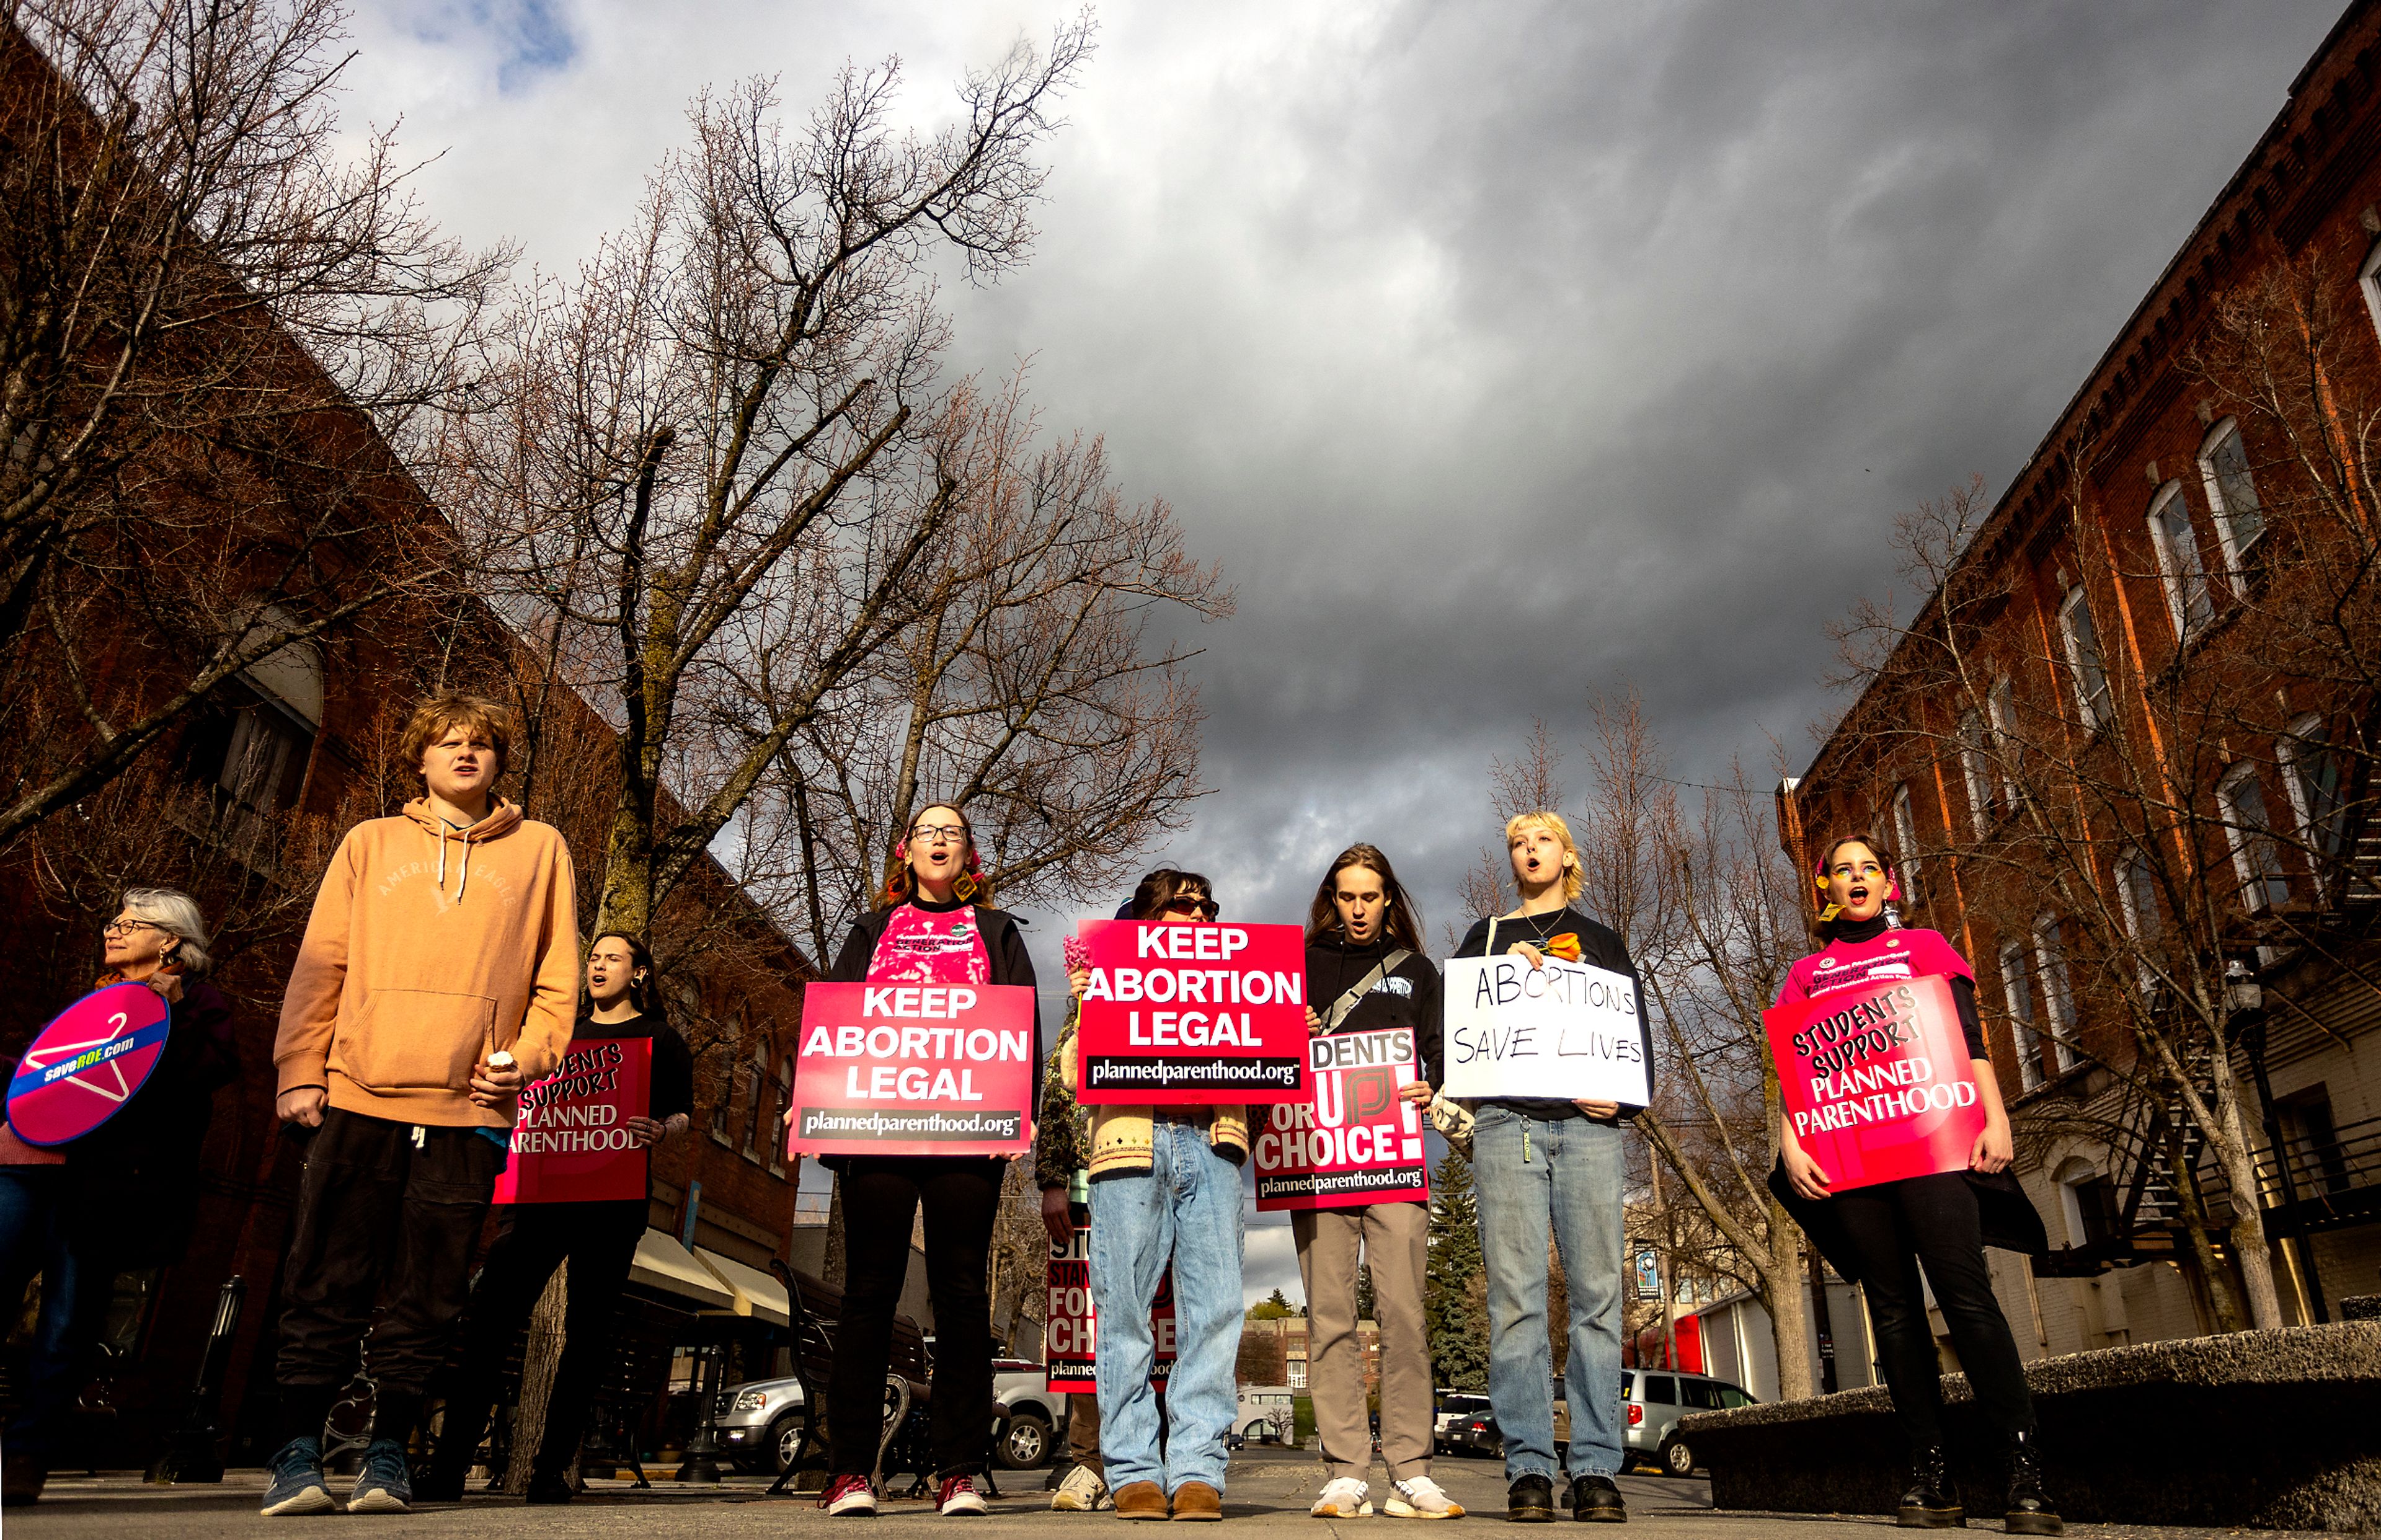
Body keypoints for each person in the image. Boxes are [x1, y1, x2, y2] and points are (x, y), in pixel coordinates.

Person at [262, 694, 580, 1518]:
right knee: (325, 1272)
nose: (465, 755)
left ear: (500, 760)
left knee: (431, 1288)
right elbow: (321, 961)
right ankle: (297, 1456)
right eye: (448, 744)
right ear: (421, 760)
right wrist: (301, 1067)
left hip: (469, 1105)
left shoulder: (542, 851)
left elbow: (556, 981)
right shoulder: (370, 843)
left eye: (480, 744)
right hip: (358, 1091)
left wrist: (526, 1061)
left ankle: (387, 1456)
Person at [1770, 835, 2059, 1536]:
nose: (1857, 877)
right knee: (1894, 1312)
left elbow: (1972, 1042)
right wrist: (1789, 1143)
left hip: (1936, 1147)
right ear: (1826, 890)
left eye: (1868, 867)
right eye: (1842, 870)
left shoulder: (1927, 949)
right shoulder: (1807, 975)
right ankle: (1932, 1474)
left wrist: (1996, 1118)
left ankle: (2025, 1473)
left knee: (1967, 1298)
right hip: (1851, 1159)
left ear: (1888, 883)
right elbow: (1795, 1075)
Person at [812, 803, 1039, 1519]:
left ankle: (961, 1470)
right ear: (906, 852)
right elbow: (837, 1017)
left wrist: (1018, 1113)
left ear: (970, 854)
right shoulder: (872, 931)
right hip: (877, 1129)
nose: (941, 840)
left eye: (955, 831)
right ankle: (850, 1471)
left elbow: (1023, 1022)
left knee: (964, 1295)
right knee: (869, 1294)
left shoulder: (997, 932)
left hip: (969, 1129)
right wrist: (814, 1101)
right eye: (928, 831)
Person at [421, 931, 694, 1504]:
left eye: (611, 959)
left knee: (586, 1335)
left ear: (639, 974)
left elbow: (684, 1115)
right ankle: (448, 1467)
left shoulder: (660, 1038)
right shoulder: (554, 1033)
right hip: (537, 1198)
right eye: (593, 959)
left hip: (612, 1202)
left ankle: (549, 1471)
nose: (597, 967)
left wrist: (661, 1130)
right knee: (492, 1321)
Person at [0, 889, 238, 1505]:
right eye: (114, 919)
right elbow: (41, 1072)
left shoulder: (200, 1003)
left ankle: (25, 1456)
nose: (114, 929)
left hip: (98, 1183)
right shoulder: (91, 992)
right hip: (23, 1163)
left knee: (65, 1322)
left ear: (170, 941)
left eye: (131, 924)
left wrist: (172, 1007)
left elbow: (207, 1074)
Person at [1451, 811, 1652, 1525]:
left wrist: (1624, 1100)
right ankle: (1530, 1465)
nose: (1529, 850)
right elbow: (1462, 1032)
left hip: (1590, 1131)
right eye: (1516, 843)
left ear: (1566, 855)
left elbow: (1633, 1033)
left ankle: (1596, 1466)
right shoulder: (1488, 938)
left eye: (1541, 840)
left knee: (1598, 1297)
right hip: (1509, 1126)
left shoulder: (1602, 940)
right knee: (1516, 1300)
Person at [1066, 869, 1246, 1523]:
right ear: (1148, 917)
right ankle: (1134, 1468)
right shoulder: (1108, 974)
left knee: (1219, 1306)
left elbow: (1269, 1057)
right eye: (1181, 906)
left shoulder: (1233, 977)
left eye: (1205, 908)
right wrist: (1090, 1005)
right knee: (1123, 1311)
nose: (1196, 918)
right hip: (1128, 1144)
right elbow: (1068, 1077)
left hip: (1214, 1141)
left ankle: (1199, 1467)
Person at [1297, 845, 1461, 1521]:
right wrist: (1291, 1031)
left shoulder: (1419, 972)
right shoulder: (1301, 963)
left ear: (1389, 898)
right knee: (1330, 1317)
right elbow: (1256, 1051)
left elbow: (1445, 1060)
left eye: (1370, 896)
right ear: (1331, 898)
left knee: (1404, 1315)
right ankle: (1343, 1472)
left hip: (1395, 1161)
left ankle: (1411, 1471)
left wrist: (1435, 1090)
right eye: (1347, 896)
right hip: (1316, 1159)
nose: (1358, 909)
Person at [1035, 952, 1107, 1513]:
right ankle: (1087, 1460)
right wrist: (1053, 1179)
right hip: (1087, 1193)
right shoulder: (1083, 1007)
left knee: (1164, 1326)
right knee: (1085, 1329)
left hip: (1164, 1186)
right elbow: (1057, 1089)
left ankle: (1151, 1457)